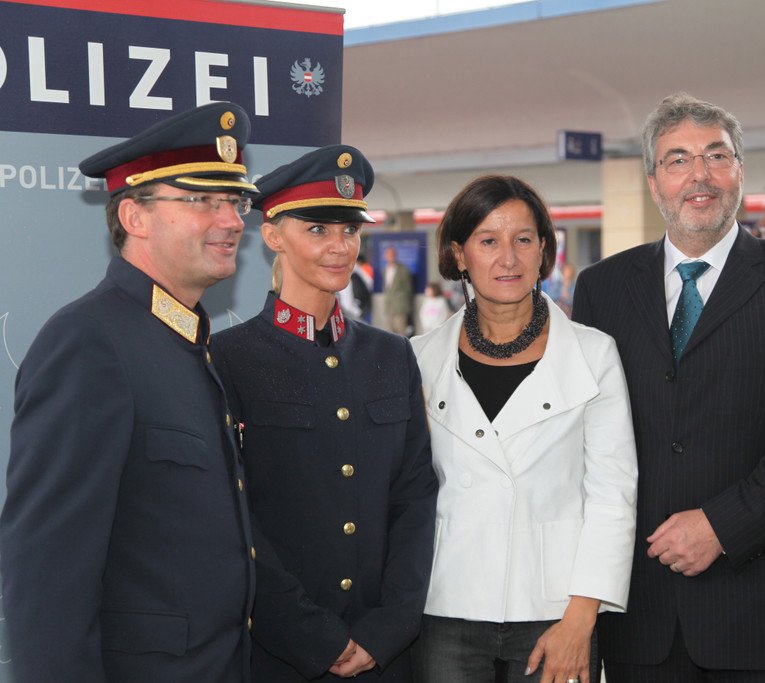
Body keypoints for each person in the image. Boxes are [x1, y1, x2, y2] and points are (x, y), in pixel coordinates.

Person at [572, 92, 765, 682]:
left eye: (716, 156)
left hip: (759, 603)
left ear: (739, 172)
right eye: (677, 160)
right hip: (639, 610)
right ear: (654, 182)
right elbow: (587, 438)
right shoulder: (602, 288)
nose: (699, 175)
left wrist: (724, 525)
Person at [0, 102, 258, 682]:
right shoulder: (88, 342)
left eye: (235, 201)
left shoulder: (189, 340)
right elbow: (47, 574)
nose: (232, 220)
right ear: (134, 216)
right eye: (202, 200)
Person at [211, 145, 437, 681]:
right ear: (272, 235)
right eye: (317, 230)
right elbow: (230, 516)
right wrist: (311, 635)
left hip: (384, 653)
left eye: (350, 230)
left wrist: (388, 627)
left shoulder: (391, 356)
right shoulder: (228, 358)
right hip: (280, 653)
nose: (340, 247)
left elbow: (414, 497)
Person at [410, 175, 638, 683]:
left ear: (543, 251)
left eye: (523, 239)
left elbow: (612, 495)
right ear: (459, 255)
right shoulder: (418, 358)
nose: (508, 259)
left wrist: (581, 617)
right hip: (446, 605)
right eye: (488, 241)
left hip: (556, 609)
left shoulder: (593, 354)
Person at [383, 244, 415, 335]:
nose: (391, 257)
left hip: (400, 307)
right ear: (385, 256)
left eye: (393, 254)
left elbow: (408, 289)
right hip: (389, 307)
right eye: (389, 255)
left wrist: (408, 306)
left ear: (396, 255)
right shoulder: (385, 269)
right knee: (389, 334)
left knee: (401, 333)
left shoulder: (403, 269)